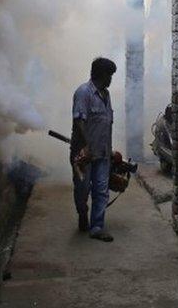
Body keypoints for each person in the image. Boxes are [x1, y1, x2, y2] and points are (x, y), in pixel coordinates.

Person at [70, 57, 117, 242]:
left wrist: (110, 150)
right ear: (101, 74)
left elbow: (107, 122)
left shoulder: (106, 95)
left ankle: (97, 226)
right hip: (84, 155)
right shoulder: (83, 92)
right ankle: (83, 213)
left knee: (101, 191)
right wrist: (87, 146)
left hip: (103, 153)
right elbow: (79, 120)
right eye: (110, 75)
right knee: (82, 190)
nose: (111, 79)